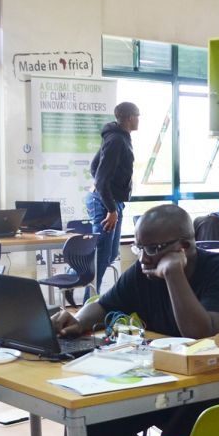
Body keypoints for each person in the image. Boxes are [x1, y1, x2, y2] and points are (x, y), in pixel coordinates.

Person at [50, 205, 219, 436]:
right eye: (139, 247)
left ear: (184, 246)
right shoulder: (143, 271)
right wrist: (79, 320)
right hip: (169, 385)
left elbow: (200, 333)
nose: (143, 258)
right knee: (97, 425)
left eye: (153, 249)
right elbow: (105, 304)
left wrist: (173, 273)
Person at [87, 101, 139, 293]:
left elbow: (94, 166)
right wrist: (110, 208)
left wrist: (110, 193)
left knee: (109, 255)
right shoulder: (116, 139)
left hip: (112, 201)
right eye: (138, 116)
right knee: (102, 256)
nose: (139, 120)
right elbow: (101, 178)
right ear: (130, 118)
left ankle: (77, 277)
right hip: (106, 204)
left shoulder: (118, 137)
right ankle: (89, 300)